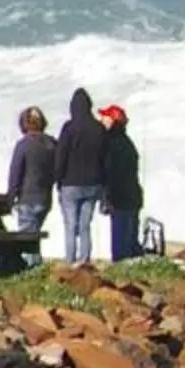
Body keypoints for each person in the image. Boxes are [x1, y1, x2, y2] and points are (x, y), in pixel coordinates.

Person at [50, 88, 108, 264]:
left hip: (70, 184)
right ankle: (84, 260)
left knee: (70, 224)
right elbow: (105, 158)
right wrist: (103, 184)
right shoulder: (99, 128)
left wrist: (57, 178)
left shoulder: (69, 128)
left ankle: (70, 260)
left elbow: (61, 155)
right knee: (85, 225)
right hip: (93, 184)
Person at [4, 106, 57, 264]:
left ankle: (32, 269)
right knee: (34, 234)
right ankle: (35, 266)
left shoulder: (24, 144)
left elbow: (15, 172)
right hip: (45, 198)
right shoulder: (53, 144)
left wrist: (11, 197)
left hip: (27, 198)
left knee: (27, 239)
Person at [98, 103, 145, 261]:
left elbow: (111, 172)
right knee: (129, 241)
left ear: (112, 120)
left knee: (120, 246)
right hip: (132, 195)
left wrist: (107, 196)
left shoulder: (111, 142)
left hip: (120, 197)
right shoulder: (126, 142)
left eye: (105, 117)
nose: (101, 119)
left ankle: (123, 268)